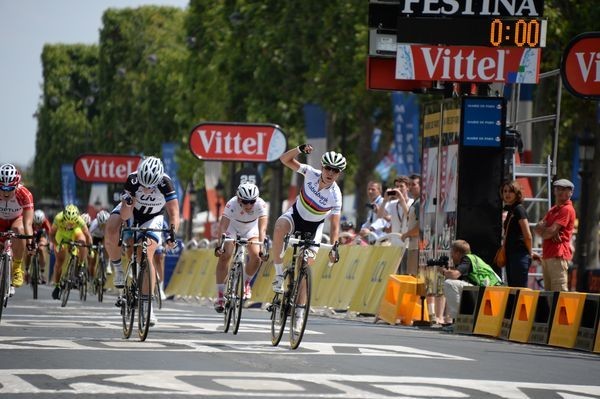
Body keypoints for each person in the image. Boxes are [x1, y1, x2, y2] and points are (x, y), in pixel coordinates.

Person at [104, 156, 180, 326]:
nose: (146, 189)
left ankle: (148, 307)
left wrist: (172, 234)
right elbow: (124, 216)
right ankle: (118, 269)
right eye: (143, 185)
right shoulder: (132, 180)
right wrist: (128, 203)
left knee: (147, 254)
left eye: (150, 186)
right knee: (110, 228)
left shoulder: (165, 183)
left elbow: (174, 213)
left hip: (153, 217)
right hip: (132, 212)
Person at [271, 144, 342, 295]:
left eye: (335, 171)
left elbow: (335, 225)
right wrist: (298, 149)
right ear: (322, 167)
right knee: (279, 227)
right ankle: (278, 275)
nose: (330, 173)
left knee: (305, 264)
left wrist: (334, 246)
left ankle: (299, 313)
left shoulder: (336, 195)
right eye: (328, 168)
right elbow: (284, 160)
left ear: (339, 174)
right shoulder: (310, 173)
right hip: (296, 216)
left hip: (314, 227)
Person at [213, 182, 269, 313]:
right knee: (225, 255)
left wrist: (262, 249)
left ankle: (246, 283)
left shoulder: (261, 204)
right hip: (233, 228)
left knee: (256, 257)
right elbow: (223, 227)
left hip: (251, 229)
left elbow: (262, 229)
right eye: (245, 201)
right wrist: (219, 245)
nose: (249, 205)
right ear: (238, 198)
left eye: (252, 201)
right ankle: (220, 296)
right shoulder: (231, 204)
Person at [442, 239, 503, 326]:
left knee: (450, 283)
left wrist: (443, 271)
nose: (451, 256)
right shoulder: (473, 258)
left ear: (458, 253)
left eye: (452, 253)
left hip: (490, 291)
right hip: (491, 289)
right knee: (456, 284)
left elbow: (454, 275)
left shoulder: (467, 259)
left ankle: (458, 321)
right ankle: (462, 319)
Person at [533, 178, 576, 292]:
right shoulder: (553, 209)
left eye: (565, 189)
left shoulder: (567, 209)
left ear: (571, 193)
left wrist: (546, 230)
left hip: (558, 255)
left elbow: (549, 231)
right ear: (554, 191)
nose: (561, 191)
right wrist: (548, 232)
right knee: (549, 294)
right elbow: (536, 228)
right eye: (558, 189)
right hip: (548, 255)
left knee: (559, 294)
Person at [0, 163, 35, 293]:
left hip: (16, 220)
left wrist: (30, 243)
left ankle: (16, 267)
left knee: (19, 230)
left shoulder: (24, 194)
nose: (6, 192)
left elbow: (28, 224)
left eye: (10, 188)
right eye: (2, 188)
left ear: (17, 185)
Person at [49, 204, 93, 300]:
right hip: (61, 235)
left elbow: (88, 236)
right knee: (59, 262)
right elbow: (51, 235)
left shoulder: (80, 221)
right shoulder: (58, 218)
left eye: (72, 223)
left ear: (76, 219)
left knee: (82, 241)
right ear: (64, 218)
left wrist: (90, 248)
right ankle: (57, 286)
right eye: (68, 222)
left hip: (74, 233)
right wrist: (57, 244)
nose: (70, 225)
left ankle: (80, 265)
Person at [500, 180, 533, 287]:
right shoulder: (511, 210)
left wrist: (530, 252)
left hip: (519, 255)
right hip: (511, 255)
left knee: (520, 291)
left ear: (517, 193)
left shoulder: (519, 210)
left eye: (511, 191)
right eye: (505, 191)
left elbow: (527, 235)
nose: (507, 194)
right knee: (513, 290)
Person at [400, 174, 421, 276]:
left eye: (414, 184)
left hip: (417, 246)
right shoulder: (415, 202)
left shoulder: (419, 203)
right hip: (413, 245)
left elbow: (420, 226)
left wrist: (406, 234)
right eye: (409, 185)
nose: (411, 187)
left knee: (413, 276)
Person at [27, 209, 53, 284]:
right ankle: (27, 270)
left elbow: (50, 235)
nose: (38, 226)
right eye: (36, 224)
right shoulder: (30, 221)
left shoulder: (46, 222)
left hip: (42, 235)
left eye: (39, 224)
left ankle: (42, 272)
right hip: (32, 235)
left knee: (41, 249)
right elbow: (27, 233)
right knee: (29, 251)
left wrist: (50, 244)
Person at [88, 210, 111, 279]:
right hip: (95, 238)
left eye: (105, 225)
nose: (104, 227)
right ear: (98, 223)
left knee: (107, 245)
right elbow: (89, 237)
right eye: (102, 225)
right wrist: (91, 248)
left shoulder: (110, 225)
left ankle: (107, 264)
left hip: (104, 237)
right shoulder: (94, 225)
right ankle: (92, 278)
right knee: (93, 261)